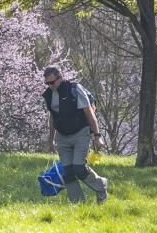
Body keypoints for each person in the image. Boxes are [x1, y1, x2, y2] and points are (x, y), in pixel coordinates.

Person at [43, 66, 108, 203]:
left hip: (80, 133)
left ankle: (101, 186)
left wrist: (97, 136)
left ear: (60, 78)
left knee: (79, 167)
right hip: (62, 136)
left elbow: (89, 113)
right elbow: (53, 118)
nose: (50, 86)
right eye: (46, 83)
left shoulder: (74, 89)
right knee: (68, 171)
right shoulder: (49, 95)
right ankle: (78, 204)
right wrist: (51, 140)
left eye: (52, 82)